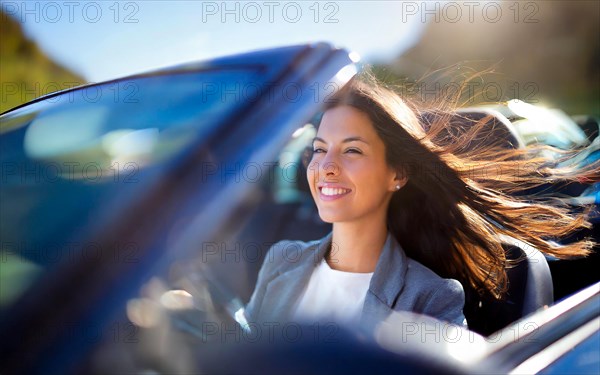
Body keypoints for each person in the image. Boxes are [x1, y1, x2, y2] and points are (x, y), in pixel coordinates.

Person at [244, 71, 597, 330]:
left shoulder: (432, 297)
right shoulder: (281, 261)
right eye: (320, 150)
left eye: (352, 150)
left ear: (397, 175)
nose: (326, 168)